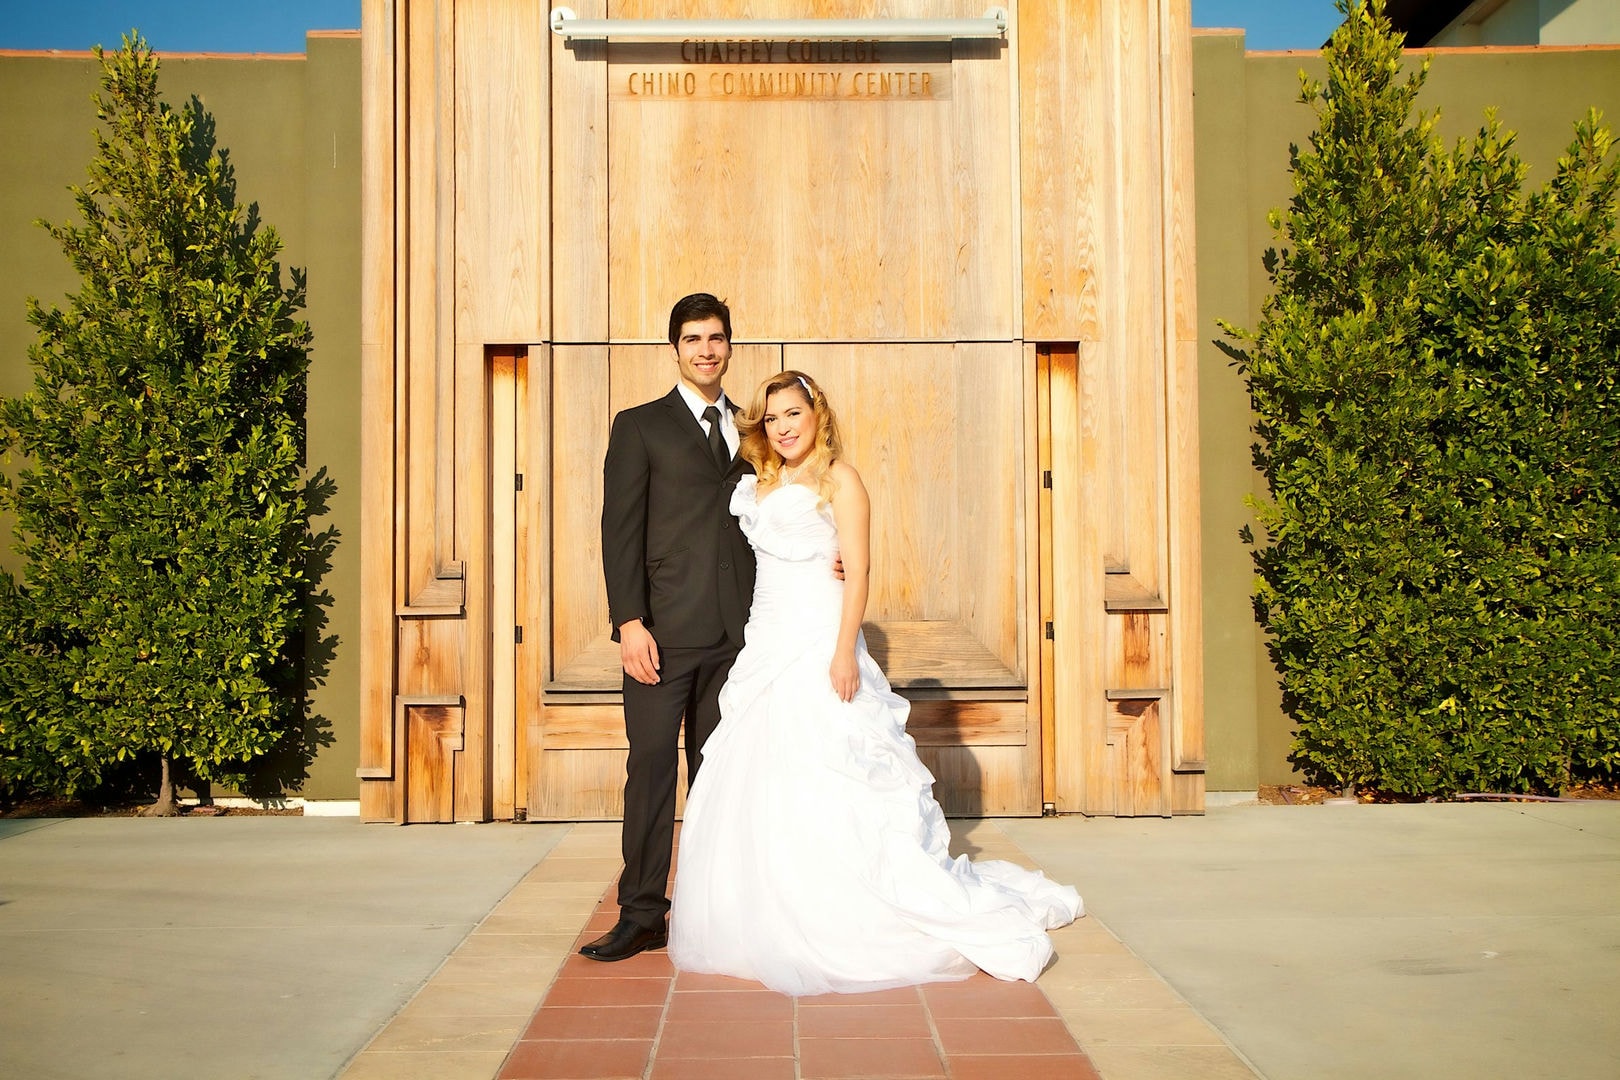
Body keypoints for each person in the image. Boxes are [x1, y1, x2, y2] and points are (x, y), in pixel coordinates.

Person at [669, 370, 1082, 995]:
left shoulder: (842, 480)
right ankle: (770, 903)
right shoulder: (760, 481)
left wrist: (842, 654)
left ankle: (849, 906)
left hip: (819, 637)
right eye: (772, 416)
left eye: (793, 414)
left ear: (817, 415)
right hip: (767, 637)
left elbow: (857, 573)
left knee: (832, 763)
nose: (782, 426)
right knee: (766, 769)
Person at [583, 293, 756, 962]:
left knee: (719, 777)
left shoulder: (755, 428)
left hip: (737, 638)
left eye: (716, 338)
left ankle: (720, 909)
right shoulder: (640, 426)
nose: (706, 349)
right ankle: (642, 912)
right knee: (652, 769)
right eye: (693, 339)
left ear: (730, 346)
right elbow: (618, 531)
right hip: (661, 634)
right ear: (675, 348)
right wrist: (629, 620)